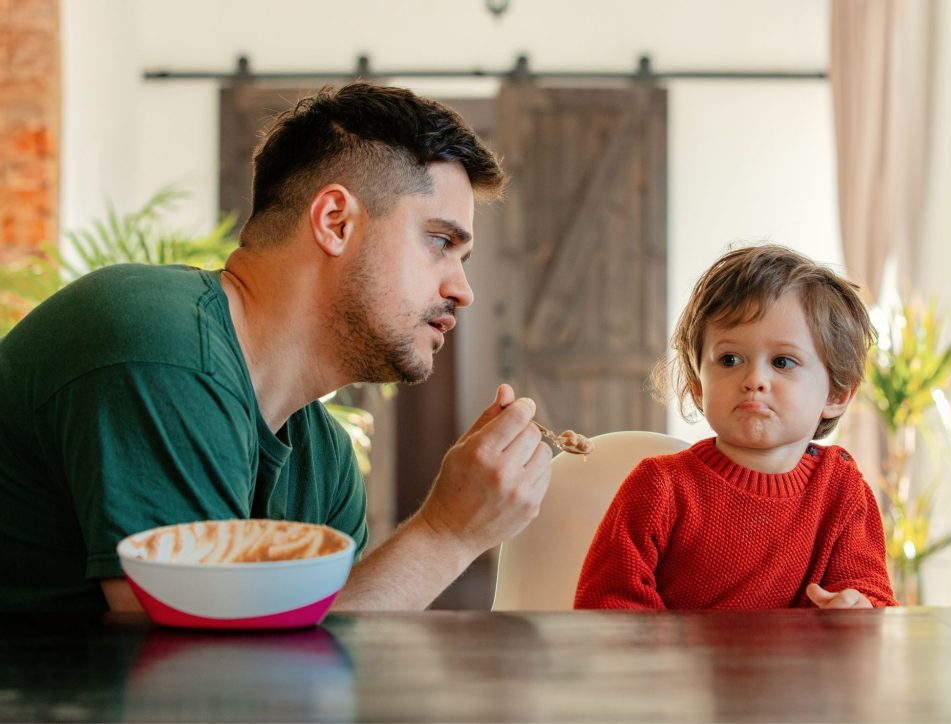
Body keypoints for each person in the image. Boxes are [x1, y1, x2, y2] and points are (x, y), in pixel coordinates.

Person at [0, 82, 552, 613]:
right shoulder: (158, 346)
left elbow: (317, 656)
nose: (464, 290)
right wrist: (446, 535)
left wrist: (450, 532)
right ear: (336, 222)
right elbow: (189, 675)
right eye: (440, 242)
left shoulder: (325, 462)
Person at [574, 244, 898, 610]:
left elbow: (872, 597)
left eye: (783, 362)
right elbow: (606, 607)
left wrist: (857, 608)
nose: (755, 378)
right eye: (730, 359)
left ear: (837, 394)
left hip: (803, 669)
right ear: (698, 384)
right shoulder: (658, 487)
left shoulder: (841, 489)